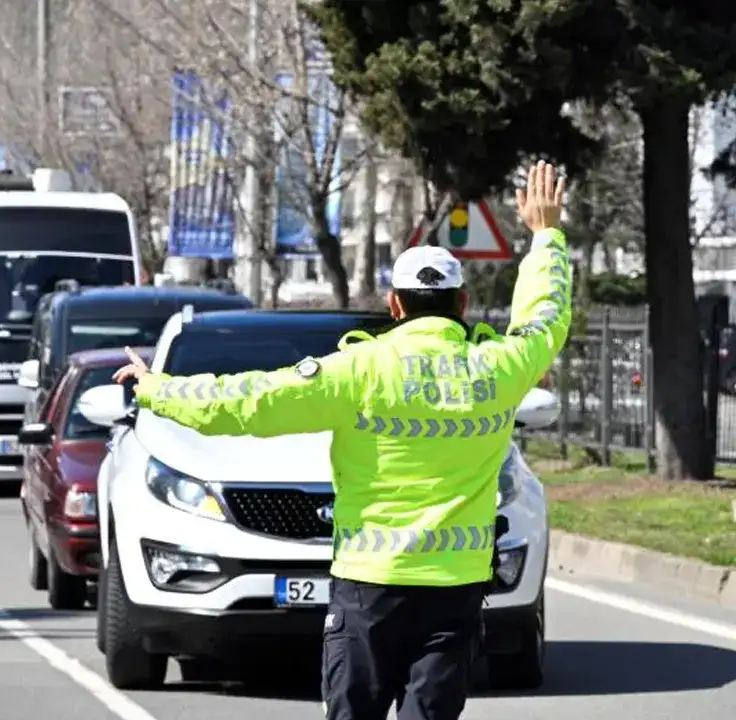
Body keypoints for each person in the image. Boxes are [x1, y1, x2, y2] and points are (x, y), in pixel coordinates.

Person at [111, 161, 571, 720]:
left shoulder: (360, 369)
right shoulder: (497, 369)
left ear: (395, 305)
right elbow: (544, 320)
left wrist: (156, 390)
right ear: (464, 305)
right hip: (456, 588)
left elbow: (247, 402)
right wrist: (545, 235)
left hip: (369, 587)